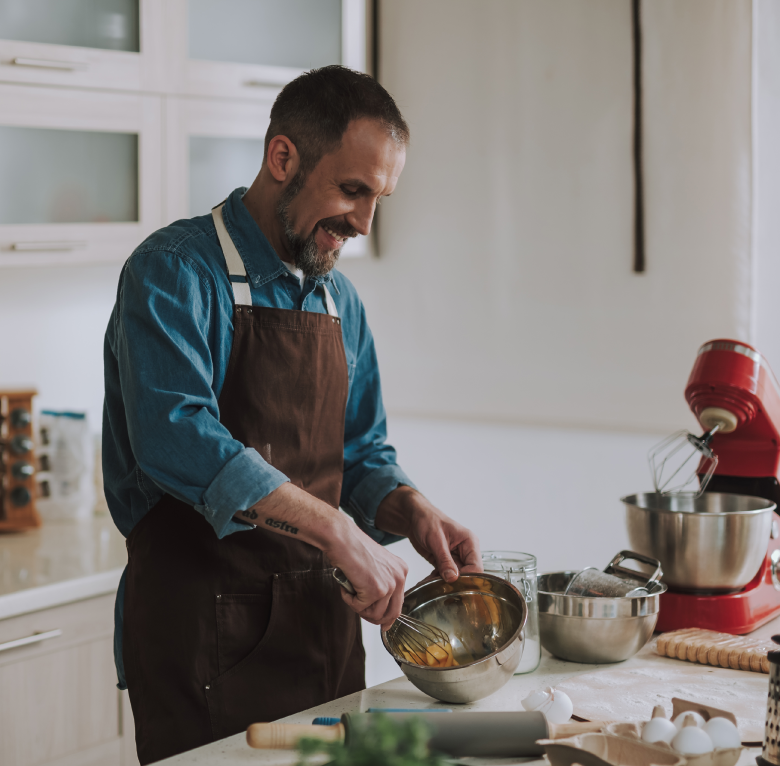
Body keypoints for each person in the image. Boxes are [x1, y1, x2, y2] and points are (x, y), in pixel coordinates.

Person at [102, 65, 483, 764]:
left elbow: (361, 454)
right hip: (201, 645)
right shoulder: (175, 272)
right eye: (352, 190)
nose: (365, 224)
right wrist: (337, 531)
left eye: (380, 198)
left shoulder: (342, 304)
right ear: (283, 158)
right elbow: (174, 435)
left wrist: (408, 510)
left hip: (323, 639)